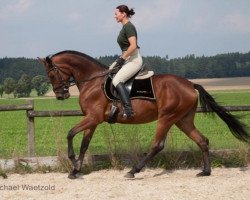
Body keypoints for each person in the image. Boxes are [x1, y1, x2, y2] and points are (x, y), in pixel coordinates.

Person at [109, 5, 143, 118]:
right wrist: (121, 59)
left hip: (134, 60)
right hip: (127, 58)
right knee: (109, 72)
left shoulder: (129, 27)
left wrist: (122, 58)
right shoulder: (124, 27)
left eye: (116, 13)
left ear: (123, 14)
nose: (115, 16)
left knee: (117, 80)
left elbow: (133, 46)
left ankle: (129, 110)